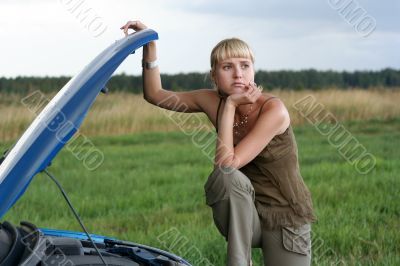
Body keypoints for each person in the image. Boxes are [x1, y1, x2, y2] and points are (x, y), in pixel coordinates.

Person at [120, 20, 317, 266]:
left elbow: (228, 161)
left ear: (253, 71)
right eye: (227, 66)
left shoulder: (273, 110)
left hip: (285, 218)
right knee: (226, 177)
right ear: (214, 74)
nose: (238, 74)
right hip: (245, 214)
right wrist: (150, 44)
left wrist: (232, 105)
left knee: (227, 170)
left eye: (245, 65)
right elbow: (155, 94)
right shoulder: (211, 100)